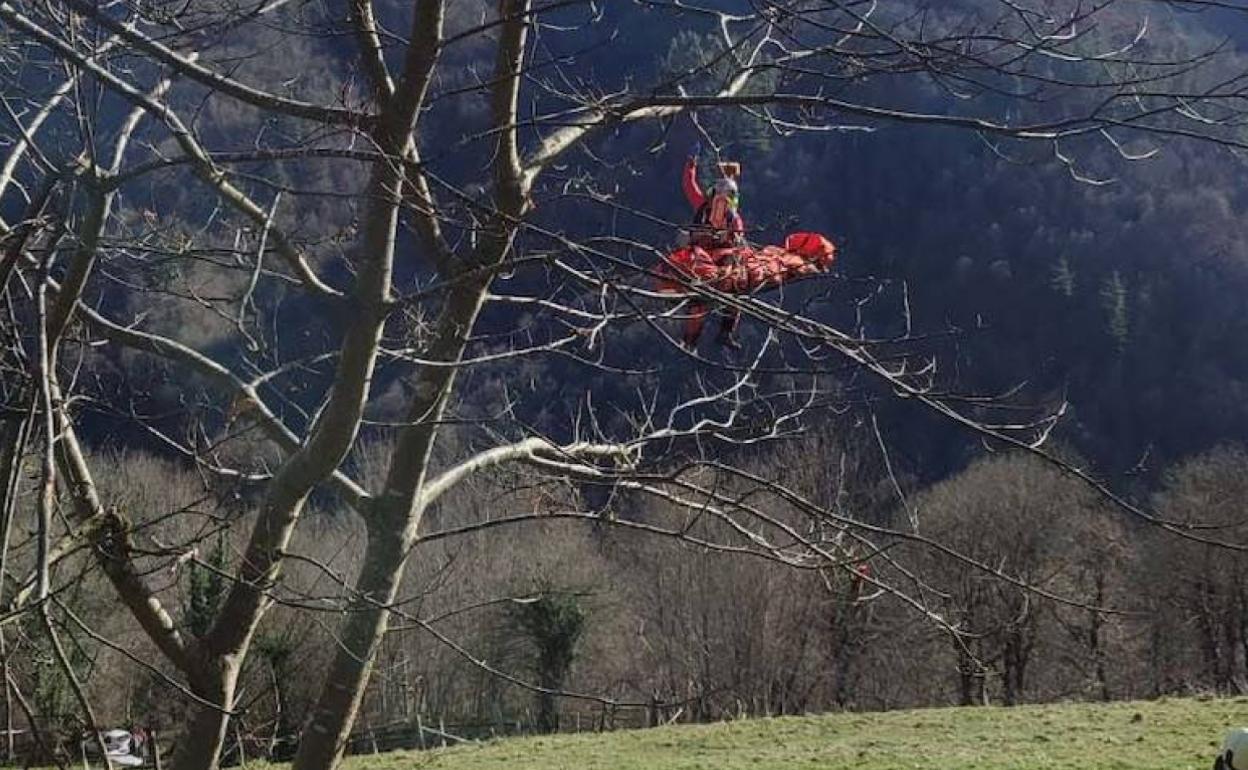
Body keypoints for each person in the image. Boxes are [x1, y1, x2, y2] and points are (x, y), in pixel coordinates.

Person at [678, 143, 745, 350]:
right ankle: (690, 341)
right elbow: (689, 185)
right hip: (700, 256)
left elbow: (738, 242)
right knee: (699, 303)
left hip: (720, 260)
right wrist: (691, 163)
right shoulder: (704, 207)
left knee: (735, 292)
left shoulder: (733, 219)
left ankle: (724, 333)